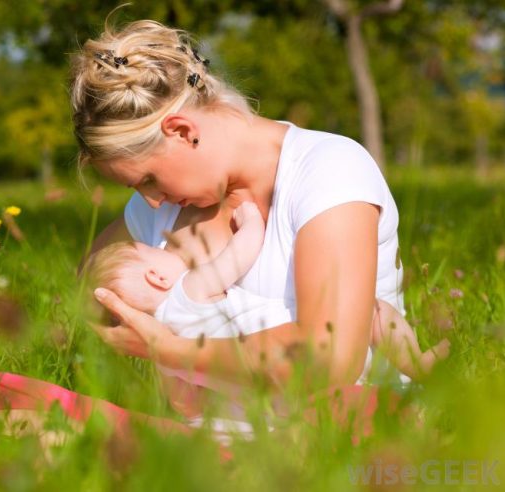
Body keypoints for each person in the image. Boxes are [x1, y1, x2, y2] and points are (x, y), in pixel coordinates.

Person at [70, 19, 451, 393]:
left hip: (338, 425)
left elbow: (329, 360)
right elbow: (90, 282)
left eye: (148, 179)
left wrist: (168, 349)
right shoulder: (162, 206)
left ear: (183, 132)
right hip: (202, 441)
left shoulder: (327, 171)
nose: (149, 199)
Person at [84, 201, 449, 403]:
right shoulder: (188, 292)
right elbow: (239, 255)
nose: (164, 248)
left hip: (281, 389)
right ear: (156, 277)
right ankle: (417, 363)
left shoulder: (162, 343)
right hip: (326, 345)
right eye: (154, 251)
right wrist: (250, 220)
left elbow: (185, 403)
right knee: (373, 309)